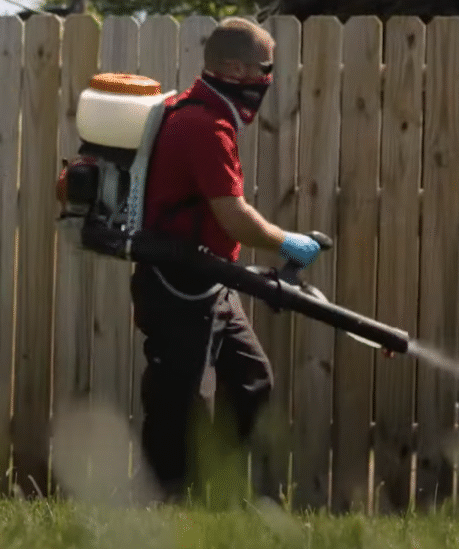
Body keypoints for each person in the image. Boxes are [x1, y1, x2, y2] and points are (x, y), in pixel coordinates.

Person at [130, 16, 322, 506]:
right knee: (181, 400)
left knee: (251, 380)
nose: (267, 80)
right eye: (264, 70)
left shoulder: (199, 112)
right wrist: (286, 242)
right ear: (236, 69)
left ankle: (228, 496)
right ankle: (165, 503)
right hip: (177, 282)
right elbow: (233, 216)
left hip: (209, 281)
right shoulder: (204, 125)